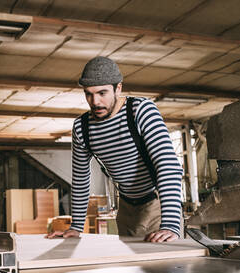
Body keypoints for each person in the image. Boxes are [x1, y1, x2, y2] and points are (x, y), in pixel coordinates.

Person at [48, 56, 183, 242]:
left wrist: (170, 225)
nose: (95, 102)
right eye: (88, 94)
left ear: (118, 88)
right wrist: (76, 227)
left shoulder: (141, 111)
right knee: (130, 267)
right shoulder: (82, 127)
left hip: (157, 205)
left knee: (161, 267)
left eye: (102, 93)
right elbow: (80, 179)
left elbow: (167, 165)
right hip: (126, 206)